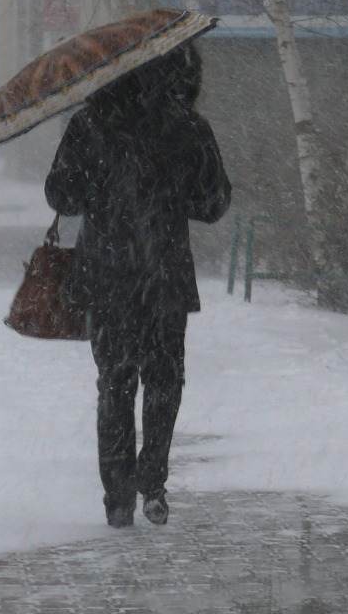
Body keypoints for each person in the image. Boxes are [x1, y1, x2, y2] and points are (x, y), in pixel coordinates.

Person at [45, 43, 231, 528]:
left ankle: (118, 497)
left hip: (107, 277)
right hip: (163, 273)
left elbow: (61, 195)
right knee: (165, 381)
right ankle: (153, 482)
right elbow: (213, 203)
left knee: (115, 384)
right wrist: (170, 193)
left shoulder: (90, 123)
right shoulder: (187, 126)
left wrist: (98, 187)